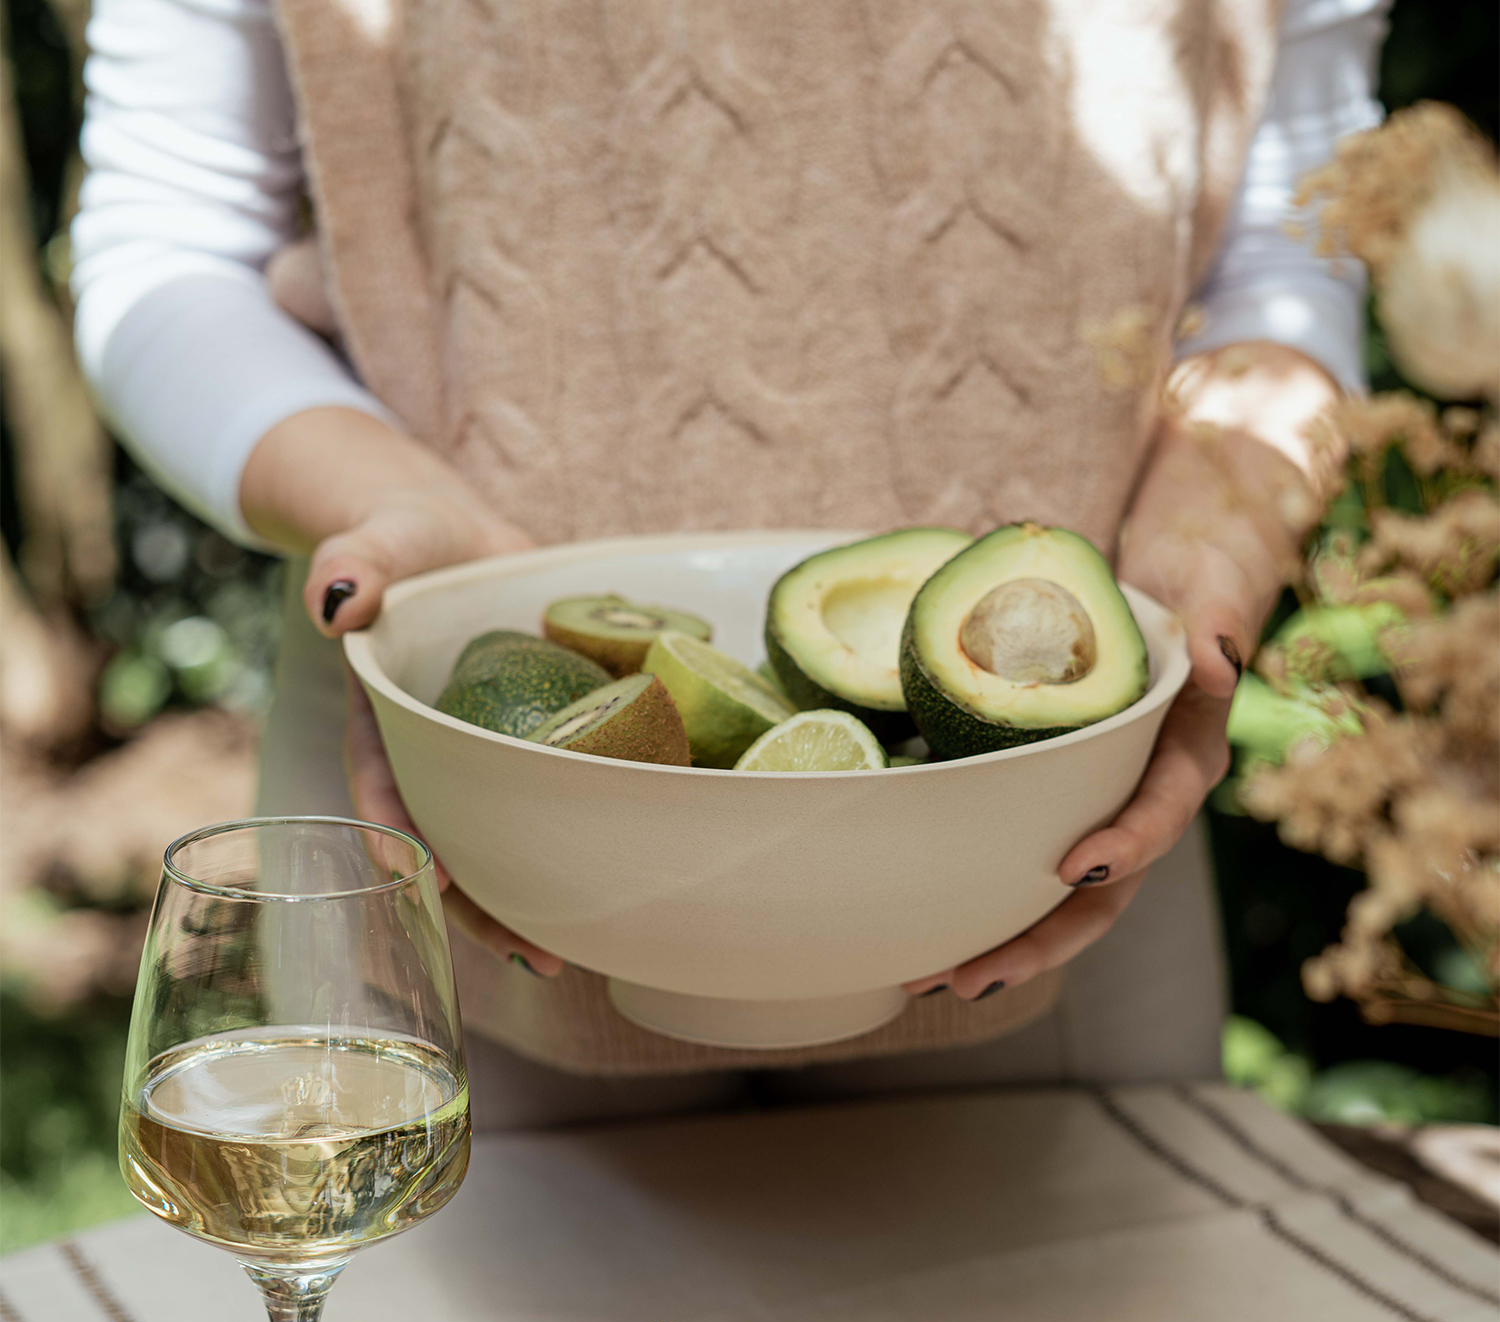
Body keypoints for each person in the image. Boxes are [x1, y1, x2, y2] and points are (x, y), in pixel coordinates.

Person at [73, 0, 1389, 1127]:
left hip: (1042, 816)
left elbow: (1305, 228)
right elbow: (168, 236)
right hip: (463, 798)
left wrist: (1202, 570)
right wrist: (393, 512)